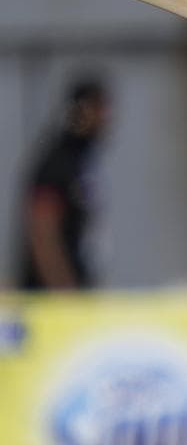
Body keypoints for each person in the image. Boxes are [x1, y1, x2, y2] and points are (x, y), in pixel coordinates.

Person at [17, 77, 111, 291]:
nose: (106, 118)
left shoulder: (84, 162)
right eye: (99, 109)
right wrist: (64, 291)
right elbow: (42, 232)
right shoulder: (58, 161)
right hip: (52, 303)